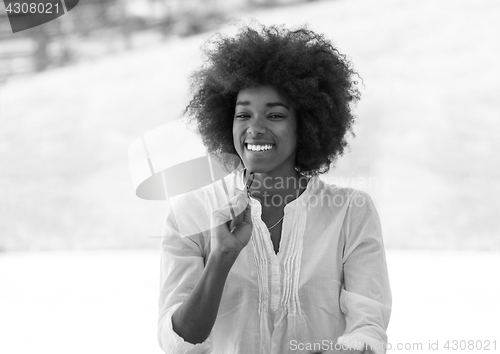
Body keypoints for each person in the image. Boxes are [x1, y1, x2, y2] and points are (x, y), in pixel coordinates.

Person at [158, 24, 391, 354]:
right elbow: (178, 343)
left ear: (307, 123)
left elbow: (368, 330)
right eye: (243, 114)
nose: (255, 128)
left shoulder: (350, 211)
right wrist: (221, 257)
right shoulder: (191, 214)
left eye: (275, 114)